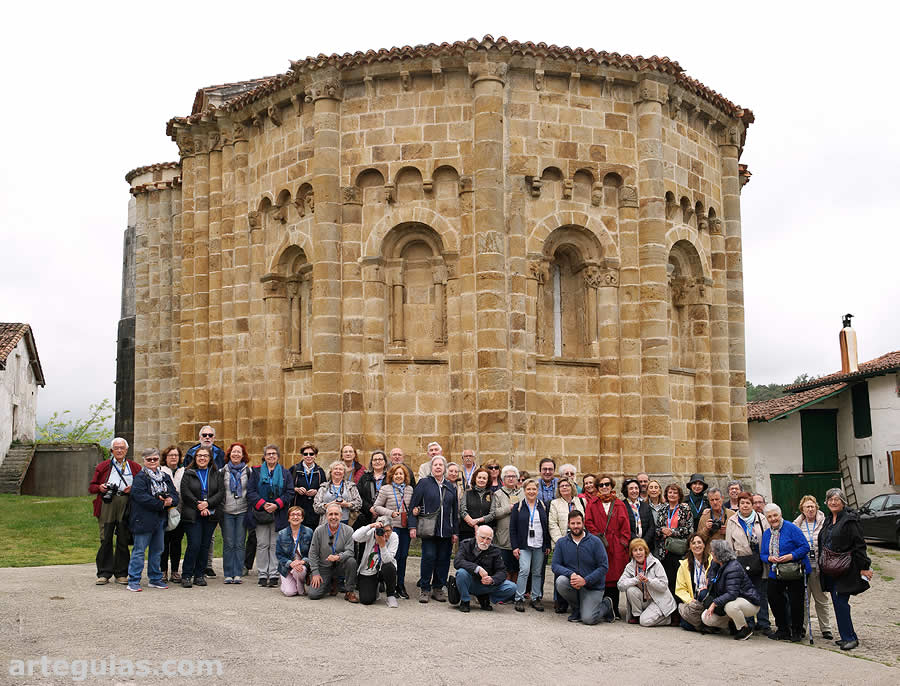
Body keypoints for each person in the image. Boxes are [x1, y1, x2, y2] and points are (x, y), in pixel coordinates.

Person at [819, 488, 873, 651]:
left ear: (843, 501)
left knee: (841, 602)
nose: (833, 502)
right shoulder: (828, 520)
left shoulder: (850, 520)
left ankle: (850, 638)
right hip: (831, 568)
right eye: (830, 499)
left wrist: (864, 567)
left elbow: (859, 545)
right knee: (837, 601)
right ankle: (847, 636)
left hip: (845, 568)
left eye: (837, 499)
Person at [89, 437, 141, 585]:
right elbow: (92, 487)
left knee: (123, 539)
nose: (119, 450)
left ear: (126, 450)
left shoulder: (135, 467)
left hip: (126, 502)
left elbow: (142, 486)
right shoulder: (103, 466)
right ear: (112, 451)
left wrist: (133, 489)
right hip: (107, 503)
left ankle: (121, 573)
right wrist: (100, 487)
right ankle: (104, 573)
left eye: (122, 448)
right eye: (116, 448)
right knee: (105, 538)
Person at [125, 449, 178, 591]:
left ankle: (155, 578)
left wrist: (170, 500)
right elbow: (140, 497)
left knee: (157, 550)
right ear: (144, 461)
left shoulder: (165, 476)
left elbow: (174, 494)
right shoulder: (140, 477)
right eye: (149, 459)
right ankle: (134, 580)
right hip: (143, 520)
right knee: (139, 551)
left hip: (160, 520)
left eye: (155, 459)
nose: (153, 462)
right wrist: (161, 503)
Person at [409, 454, 459, 603]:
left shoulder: (450, 487)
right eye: (435, 465)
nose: (438, 467)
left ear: (445, 469)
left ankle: (438, 588)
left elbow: (454, 511)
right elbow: (413, 506)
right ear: (431, 468)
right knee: (429, 557)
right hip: (428, 529)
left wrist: (455, 531)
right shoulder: (424, 483)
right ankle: (425, 588)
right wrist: (412, 526)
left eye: (440, 465)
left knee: (443, 559)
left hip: (446, 530)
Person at [552, 510, 614, 624]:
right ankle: (577, 608)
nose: (576, 526)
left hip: (593, 586)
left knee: (589, 619)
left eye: (578, 523)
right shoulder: (561, 542)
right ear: (568, 524)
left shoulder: (595, 542)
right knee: (561, 581)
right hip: (574, 584)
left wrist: (585, 580)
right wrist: (571, 574)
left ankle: (606, 605)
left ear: (583, 523)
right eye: (573, 523)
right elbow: (555, 565)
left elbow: (604, 567)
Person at [760, 503, 811, 642]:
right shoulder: (767, 533)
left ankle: (796, 631)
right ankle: (782, 629)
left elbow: (805, 547)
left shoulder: (791, 528)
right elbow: (763, 554)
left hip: (794, 570)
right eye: (769, 516)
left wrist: (791, 556)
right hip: (775, 571)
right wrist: (769, 558)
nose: (773, 519)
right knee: (774, 599)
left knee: (796, 602)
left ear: (780, 515)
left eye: (775, 515)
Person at [724, 490, 770, 634]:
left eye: (748, 503)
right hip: (741, 562)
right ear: (738, 505)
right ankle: (748, 622)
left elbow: (768, 538)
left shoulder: (762, 519)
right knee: (745, 594)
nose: (745, 506)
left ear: (752, 504)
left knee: (761, 592)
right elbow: (728, 544)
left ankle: (763, 622)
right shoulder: (732, 521)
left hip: (759, 561)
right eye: (742, 503)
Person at [585, 475, 630, 617]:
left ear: (612, 486)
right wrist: (596, 538)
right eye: (601, 485)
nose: (604, 487)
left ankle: (615, 609)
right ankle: (602, 608)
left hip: (616, 546)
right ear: (597, 487)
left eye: (607, 484)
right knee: (601, 576)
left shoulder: (619, 504)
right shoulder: (592, 503)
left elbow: (626, 525)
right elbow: (588, 522)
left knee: (615, 578)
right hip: (599, 544)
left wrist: (623, 542)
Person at [247, 445, 292, 587]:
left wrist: (277, 504)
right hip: (261, 513)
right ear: (264, 456)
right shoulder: (256, 472)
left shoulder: (285, 473)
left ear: (278, 456)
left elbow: (290, 492)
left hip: (278, 514)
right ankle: (262, 574)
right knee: (261, 544)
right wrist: (263, 504)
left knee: (274, 544)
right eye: (268, 454)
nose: (271, 456)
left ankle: (273, 574)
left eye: (274, 454)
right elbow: (250, 491)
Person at [179, 447, 224, 588]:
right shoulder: (188, 473)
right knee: (194, 544)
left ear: (210, 458)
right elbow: (185, 492)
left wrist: (208, 504)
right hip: (193, 514)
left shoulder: (216, 474)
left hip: (210, 515)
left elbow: (220, 492)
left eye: (205, 456)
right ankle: (186, 575)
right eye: (199, 456)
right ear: (195, 458)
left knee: (205, 546)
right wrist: (199, 505)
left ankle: (199, 574)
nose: (202, 458)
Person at [702, 540, 761, 640]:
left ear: (719, 553)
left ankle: (745, 629)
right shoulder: (715, 563)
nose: (711, 553)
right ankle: (732, 623)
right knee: (706, 617)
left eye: (712, 551)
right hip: (729, 600)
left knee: (731, 606)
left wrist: (714, 603)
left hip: (748, 600)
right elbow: (711, 576)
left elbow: (732, 594)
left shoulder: (733, 567)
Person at [793, 494, 833, 640]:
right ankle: (802, 627)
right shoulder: (797, 525)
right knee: (803, 600)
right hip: (803, 567)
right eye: (807, 507)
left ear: (816, 507)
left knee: (821, 599)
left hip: (819, 567)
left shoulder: (824, 523)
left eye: (812, 506)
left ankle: (826, 628)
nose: (810, 509)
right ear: (802, 510)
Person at [453, 525, 517, 612]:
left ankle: (485, 597)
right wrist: (477, 568)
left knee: (512, 587)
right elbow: (457, 562)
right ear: (476, 535)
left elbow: (502, 571)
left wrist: (492, 579)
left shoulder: (495, 550)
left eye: (488, 539)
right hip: (469, 581)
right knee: (461, 573)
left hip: (486, 584)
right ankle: (465, 600)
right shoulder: (466, 544)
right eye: (482, 538)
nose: (485, 541)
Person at [509, 478, 550, 612]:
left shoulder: (543, 506)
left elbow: (547, 527)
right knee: (524, 570)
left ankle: (535, 597)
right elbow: (513, 528)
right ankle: (519, 598)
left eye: (534, 489)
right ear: (524, 491)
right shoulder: (518, 507)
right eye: (529, 489)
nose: (531, 491)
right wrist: (515, 546)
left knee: (537, 572)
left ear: (537, 491)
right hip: (524, 545)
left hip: (539, 544)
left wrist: (547, 544)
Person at [373, 464, 413, 598]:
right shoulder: (385, 489)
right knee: (389, 556)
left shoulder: (409, 490)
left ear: (405, 476)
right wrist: (390, 513)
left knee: (402, 556)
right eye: (396, 474)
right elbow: (376, 506)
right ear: (391, 476)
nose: (398, 476)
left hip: (404, 528)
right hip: (390, 528)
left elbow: (412, 507)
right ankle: (387, 582)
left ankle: (400, 584)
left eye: (401, 474)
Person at [618, 537, 676, 626]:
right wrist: (635, 579)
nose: (638, 553)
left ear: (645, 551)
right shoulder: (630, 566)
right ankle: (637, 616)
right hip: (645, 600)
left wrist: (649, 581)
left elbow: (664, 586)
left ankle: (668, 618)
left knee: (645, 622)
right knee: (630, 590)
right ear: (632, 553)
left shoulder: (655, 563)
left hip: (658, 600)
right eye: (635, 550)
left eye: (641, 550)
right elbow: (620, 585)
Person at [307, 502, 359, 602]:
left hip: (340, 565)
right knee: (313, 595)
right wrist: (315, 573)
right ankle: (330, 582)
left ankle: (349, 591)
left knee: (351, 562)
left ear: (341, 516)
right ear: (326, 516)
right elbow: (313, 553)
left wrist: (338, 557)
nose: (333, 517)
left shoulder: (348, 530)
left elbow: (350, 551)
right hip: (324, 566)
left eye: (336, 514)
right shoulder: (319, 530)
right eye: (330, 514)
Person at [548, 477, 585, 613]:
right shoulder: (554, 503)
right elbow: (552, 524)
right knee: (560, 570)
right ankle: (560, 601)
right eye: (562, 486)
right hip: (563, 542)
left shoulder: (581, 501)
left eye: (567, 486)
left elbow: (584, 521)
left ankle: (578, 599)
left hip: (579, 541)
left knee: (578, 568)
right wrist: (560, 541)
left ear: (572, 488)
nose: (564, 488)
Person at [655, 483, 693, 601]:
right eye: (670, 492)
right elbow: (656, 528)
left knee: (679, 580)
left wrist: (673, 532)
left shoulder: (685, 509)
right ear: (666, 494)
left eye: (675, 492)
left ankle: (679, 607)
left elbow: (690, 529)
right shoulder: (662, 509)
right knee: (667, 580)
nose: (672, 495)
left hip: (679, 550)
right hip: (664, 551)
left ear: (679, 495)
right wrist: (662, 531)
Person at [352, 515, 399, 607]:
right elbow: (355, 537)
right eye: (382, 530)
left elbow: (387, 560)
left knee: (389, 566)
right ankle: (375, 588)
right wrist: (371, 526)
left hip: (384, 569)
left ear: (392, 529)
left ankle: (390, 595)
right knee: (366, 600)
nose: (385, 534)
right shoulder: (372, 532)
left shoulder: (394, 537)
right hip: (369, 570)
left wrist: (382, 544)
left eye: (388, 531)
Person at [220, 442, 249, 584]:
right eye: (234, 452)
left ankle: (238, 573)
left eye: (239, 452)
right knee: (228, 543)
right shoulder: (223, 471)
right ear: (229, 454)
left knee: (239, 543)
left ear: (243, 455)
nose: (236, 454)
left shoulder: (247, 471)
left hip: (243, 510)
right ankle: (228, 573)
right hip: (227, 511)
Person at [488, 465, 523, 580]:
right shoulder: (498, 494)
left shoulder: (522, 493)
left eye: (513, 476)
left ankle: (516, 593)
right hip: (503, 538)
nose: (511, 479)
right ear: (503, 479)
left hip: (519, 537)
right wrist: (508, 508)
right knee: (506, 568)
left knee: (517, 569)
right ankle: (507, 592)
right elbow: (493, 514)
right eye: (508, 476)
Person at [676, 533, 713, 631]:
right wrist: (689, 600)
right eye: (693, 543)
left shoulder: (712, 561)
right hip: (694, 601)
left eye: (699, 542)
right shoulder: (684, 565)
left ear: (704, 545)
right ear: (689, 547)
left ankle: (704, 624)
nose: (697, 545)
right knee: (684, 624)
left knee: (703, 594)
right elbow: (680, 589)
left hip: (708, 597)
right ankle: (704, 625)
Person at [159, 445, 185, 583]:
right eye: (171, 455)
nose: (174, 457)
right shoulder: (160, 471)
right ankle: (163, 571)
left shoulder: (184, 471)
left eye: (176, 455)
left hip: (180, 511)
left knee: (176, 542)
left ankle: (175, 571)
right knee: (163, 542)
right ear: (165, 458)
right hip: (164, 511)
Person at [276, 506, 312, 597]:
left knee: (300, 570)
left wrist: (303, 561)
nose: (295, 517)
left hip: (302, 566)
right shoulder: (282, 533)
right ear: (288, 518)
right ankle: (287, 583)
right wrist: (290, 563)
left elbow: (313, 553)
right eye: (292, 515)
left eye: (298, 515)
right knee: (289, 593)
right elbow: (279, 555)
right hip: (287, 567)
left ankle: (300, 588)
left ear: (302, 518)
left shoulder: (309, 532)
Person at [289, 442, 326, 528]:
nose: (308, 456)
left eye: (311, 454)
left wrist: (316, 491)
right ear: (302, 455)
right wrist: (296, 489)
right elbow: (286, 486)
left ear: (315, 455)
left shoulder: (320, 471)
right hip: (297, 510)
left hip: (313, 512)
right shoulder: (294, 469)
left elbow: (324, 488)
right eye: (305, 454)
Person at [313, 461, 362, 526]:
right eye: (335, 469)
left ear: (344, 473)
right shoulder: (324, 487)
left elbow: (359, 503)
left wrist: (347, 504)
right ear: (331, 472)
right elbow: (316, 507)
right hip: (326, 522)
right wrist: (329, 505)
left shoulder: (351, 486)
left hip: (346, 521)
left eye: (340, 469)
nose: (338, 471)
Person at [356, 450, 389, 531]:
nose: (377, 462)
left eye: (380, 459)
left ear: (385, 462)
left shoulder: (390, 478)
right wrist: (369, 508)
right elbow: (359, 496)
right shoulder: (364, 477)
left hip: (385, 517)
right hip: (367, 516)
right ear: (371, 462)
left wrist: (381, 510)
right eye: (375, 460)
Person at [459, 467, 494, 541]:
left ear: (488, 481)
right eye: (479, 477)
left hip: (485, 533)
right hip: (467, 532)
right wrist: (473, 523)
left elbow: (492, 514)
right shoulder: (467, 492)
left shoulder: (492, 495)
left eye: (484, 478)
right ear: (475, 478)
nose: (481, 480)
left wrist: (477, 521)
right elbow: (462, 510)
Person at [621, 478, 656, 546]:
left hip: (645, 545)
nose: (634, 491)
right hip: (629, 545)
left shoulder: (646, 506)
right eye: (631, 488)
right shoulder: (621, 506)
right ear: (626, 491)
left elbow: (651, 527)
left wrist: (644, 542)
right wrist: (637, 541)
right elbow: (623, 527)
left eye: (636, 488)